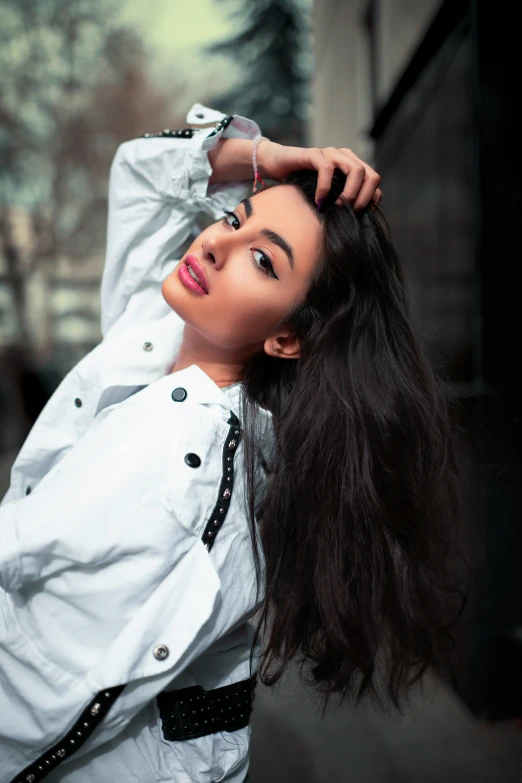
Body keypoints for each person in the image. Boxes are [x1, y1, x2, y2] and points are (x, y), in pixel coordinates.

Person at [0, 102, 468, 783]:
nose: (214, 244)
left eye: (261, 260)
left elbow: (43, 692)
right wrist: (270, 159)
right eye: (235, 218)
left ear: (286, 337)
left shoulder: (184, 463)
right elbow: (142, 174)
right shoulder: (161, 324)